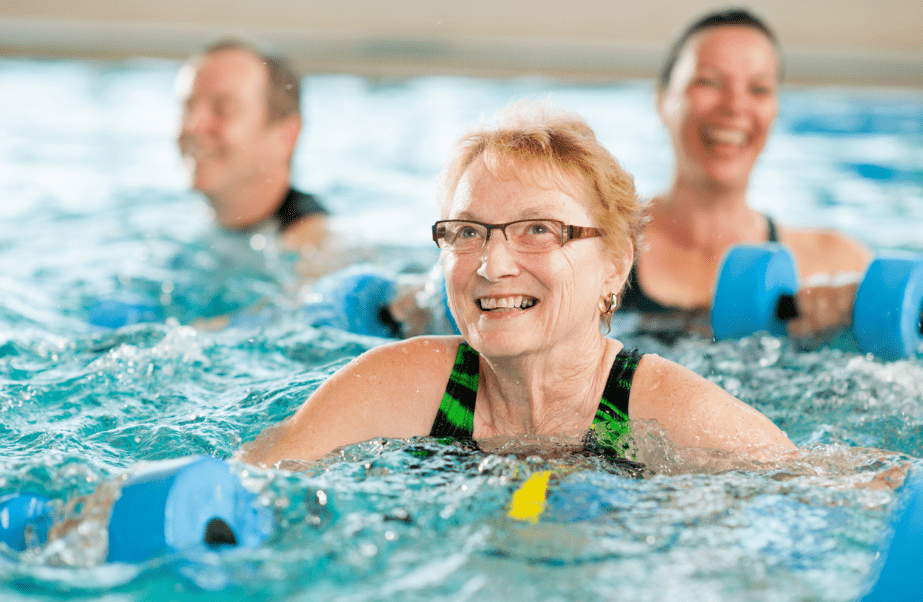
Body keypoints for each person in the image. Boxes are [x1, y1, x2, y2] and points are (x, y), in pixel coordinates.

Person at [238, 101, 796, 469]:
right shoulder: (398, 388)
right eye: (468, 232)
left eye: (538, 229)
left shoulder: (673, 415)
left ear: (614, 265)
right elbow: (251, 481)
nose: (493, 263)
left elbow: (829, 496)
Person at [620, 9, 871, 338]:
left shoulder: (836, 265)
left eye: (759, 89)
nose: (735, 106)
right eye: (708, 81)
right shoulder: (601, 249)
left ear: (775, 111)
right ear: (663, 101)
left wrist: (855, 315)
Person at [176, 39, 329, 252]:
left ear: (286, 135)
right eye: (188, 107)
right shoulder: (189, 221)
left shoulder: (316, 252)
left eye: (223, 109)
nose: (192, 126)